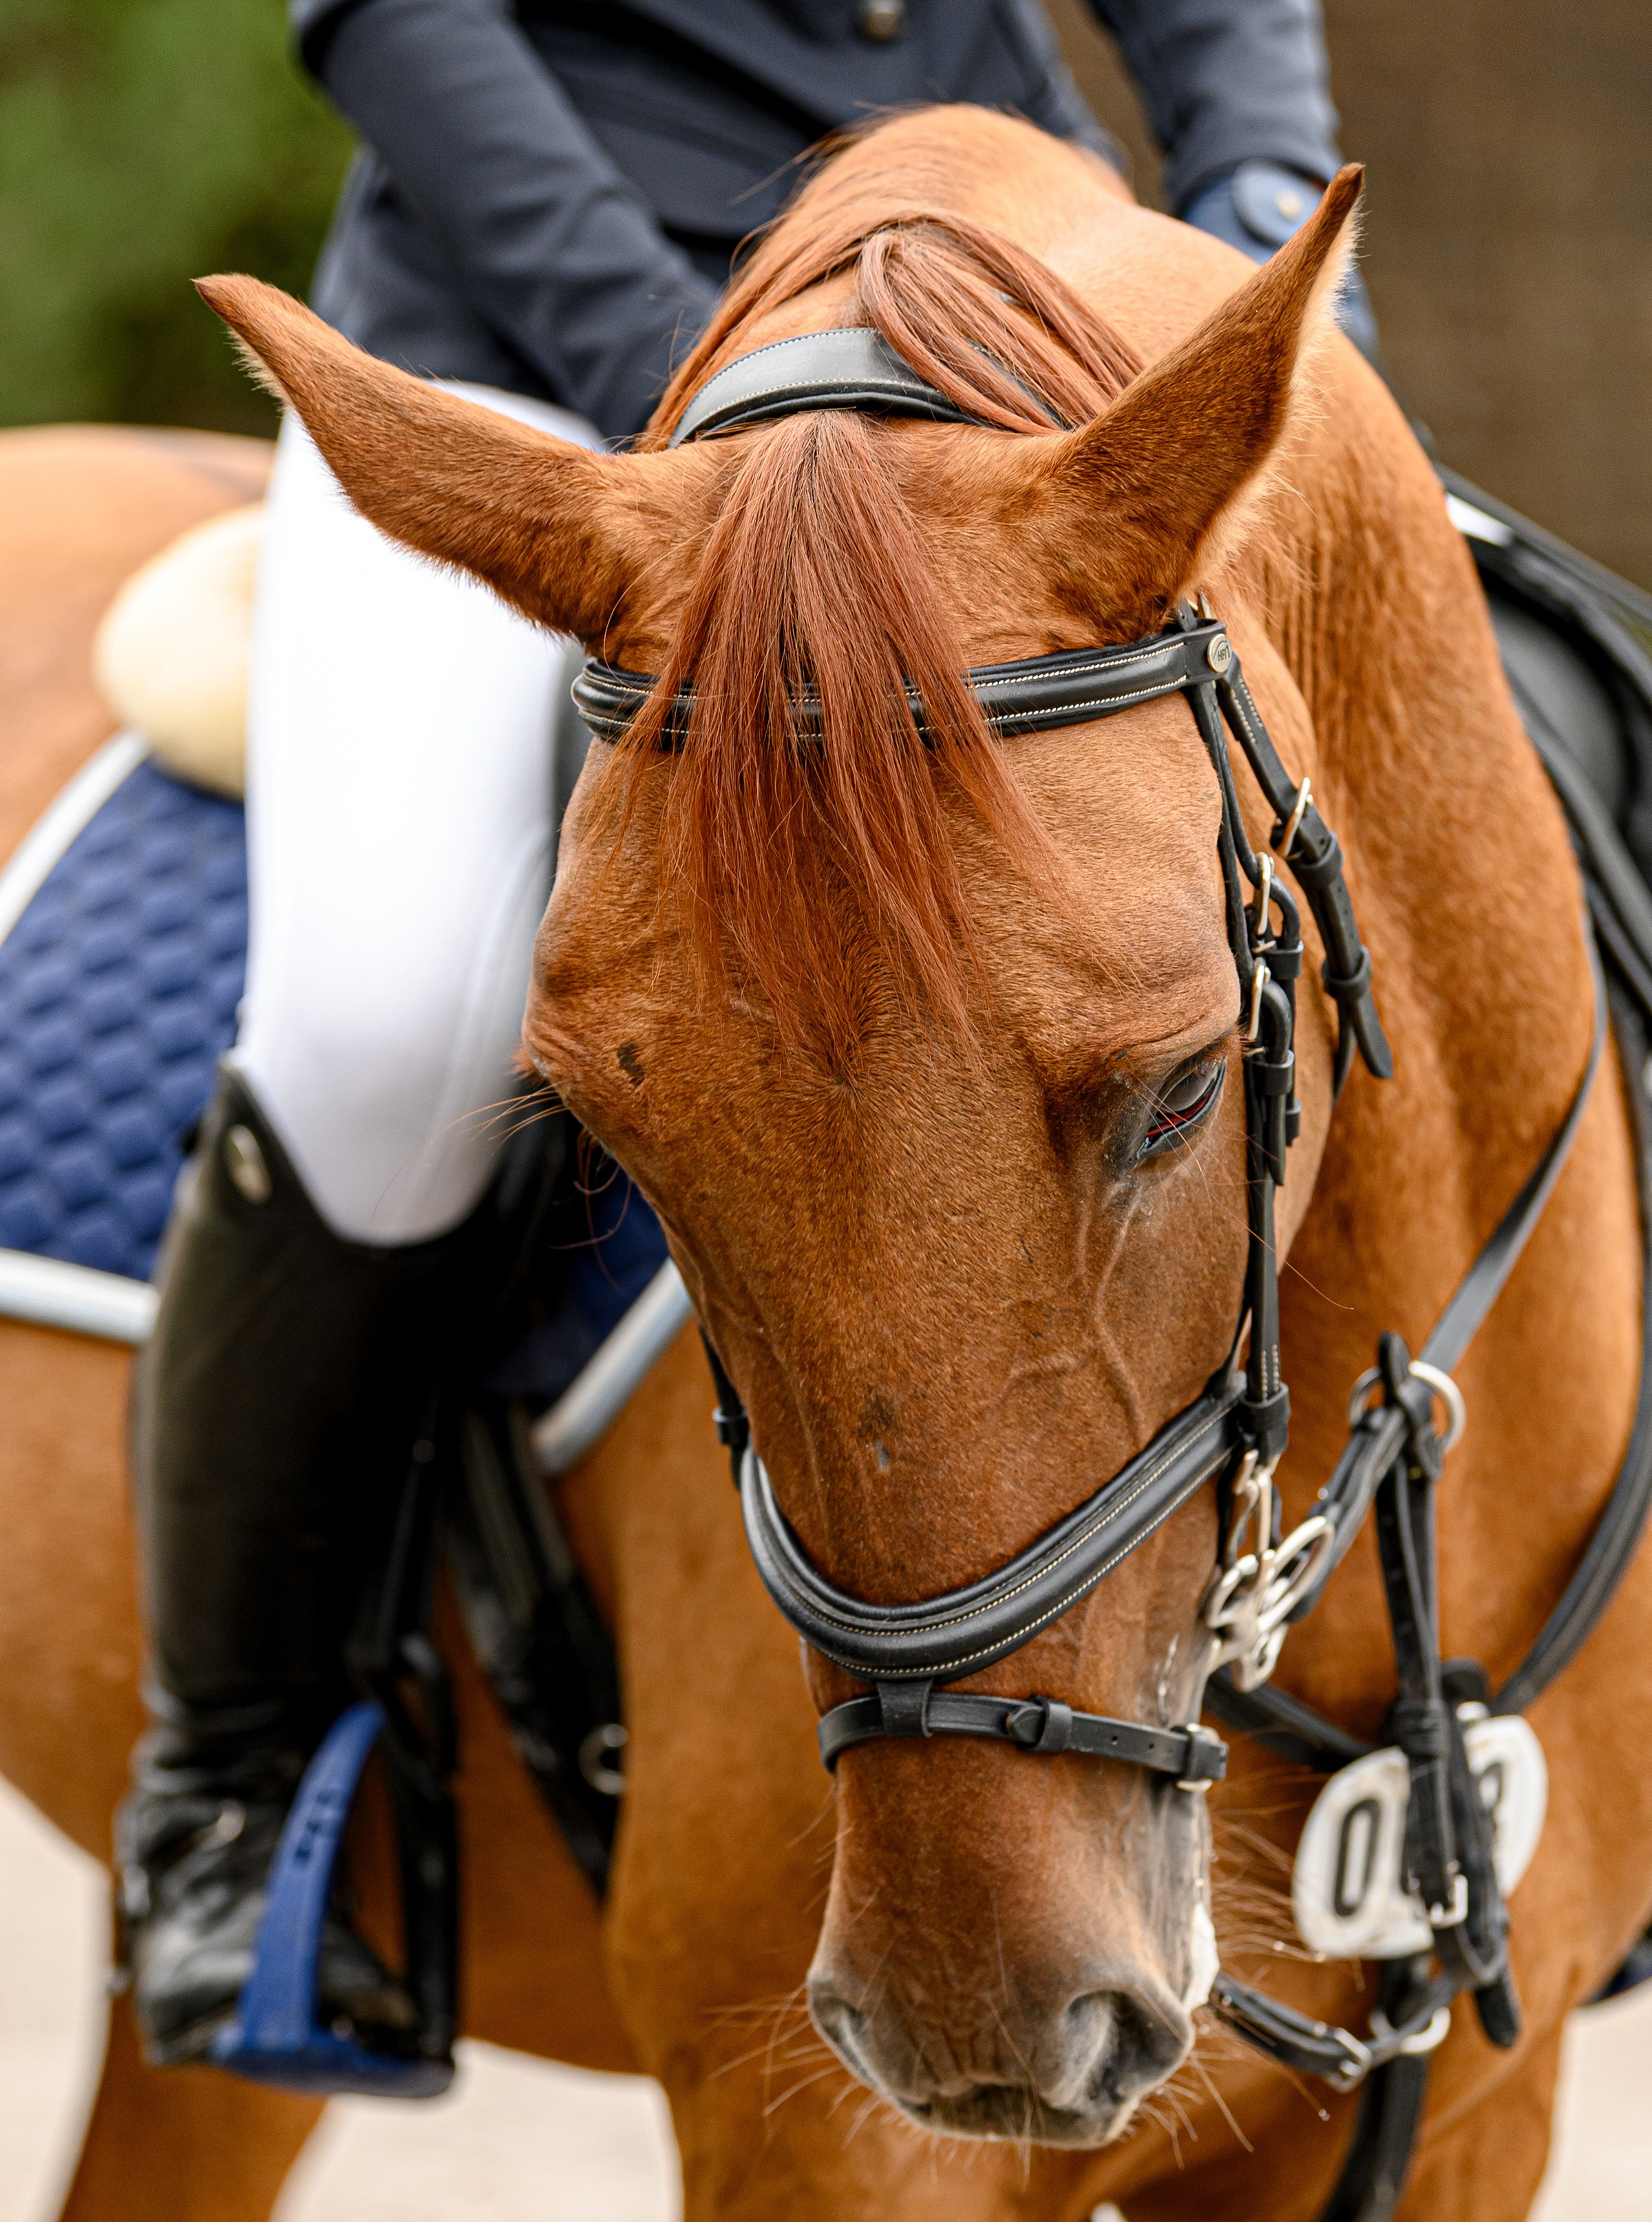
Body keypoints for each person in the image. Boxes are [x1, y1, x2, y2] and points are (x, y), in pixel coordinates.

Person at [119, 0, 1369, 2066]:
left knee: (1476, 786)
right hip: (543, 363)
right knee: (385, 1022)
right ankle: (227, 1780)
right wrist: (704, 409)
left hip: (1024, 324)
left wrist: (1249, 187)